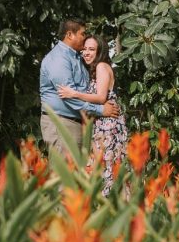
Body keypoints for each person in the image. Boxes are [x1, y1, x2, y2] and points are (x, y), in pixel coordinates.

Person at [57, 34, 127, 196]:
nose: (86, 53)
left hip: (107, 126)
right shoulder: (94, 70)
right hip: (101, 124)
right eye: (85, 49)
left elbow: (101, 97)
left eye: (91, 49)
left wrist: (73, 93)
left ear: (100, 51)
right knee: (104, 169)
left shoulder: (102, 66)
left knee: (108, 168)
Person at [39, 18, 120, 153]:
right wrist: (101, 110)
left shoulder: (77, 58)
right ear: (70, 35)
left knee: (79, 172)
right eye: (82, 34)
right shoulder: (59, 59)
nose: (85, 37)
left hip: (78, 123)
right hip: (62, 124)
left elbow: (84, 91)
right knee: (65, 172)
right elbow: (69, 97)